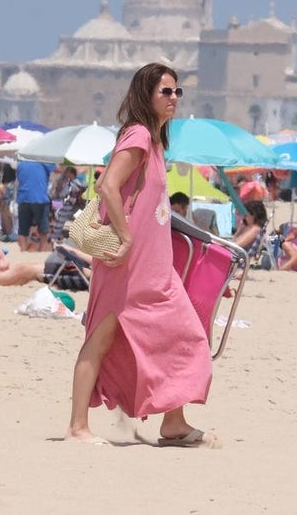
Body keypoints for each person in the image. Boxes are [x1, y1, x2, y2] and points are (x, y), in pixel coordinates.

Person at [65, 62, 213, 447]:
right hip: (127, 265)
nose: (174, 99)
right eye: (165, 91)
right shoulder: (139, 136)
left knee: (181, 337)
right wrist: (127, 238)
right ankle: (77, 427)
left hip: (153, 268)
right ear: (145, 94)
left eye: (177, 92)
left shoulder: (155, 141)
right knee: (101, 338)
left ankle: (173, 422)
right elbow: (108, 186)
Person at [15, 159, 55, 252]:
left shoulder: (21, 164)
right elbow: (58, 169)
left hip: (23, 198)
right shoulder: (44, 162)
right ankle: (41, 252)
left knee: (23, 230)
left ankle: (23, 252)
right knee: (43, 230)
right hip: (39, 198)